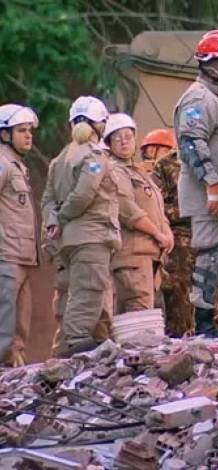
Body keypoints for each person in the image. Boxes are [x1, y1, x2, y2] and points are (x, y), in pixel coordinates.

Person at [174, 29, 218, 336]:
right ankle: (204, 324)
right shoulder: (198, 97)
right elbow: (191, 140)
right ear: (211, 65)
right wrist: (212, 184)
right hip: (210, 195)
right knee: (214, 255)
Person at [41, 96, 120, 357]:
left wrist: (54, 221)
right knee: (88, 292)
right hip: (91, 237)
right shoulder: (94, 156)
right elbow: (84, 195)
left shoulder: (60, 159)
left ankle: (77, 348)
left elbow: (47, 200)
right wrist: (63, 217)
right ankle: (76, 344)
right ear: (100, 125)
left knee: (73, 295)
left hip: (69, 241)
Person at [104, 113, 173, 314]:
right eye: (117, 137)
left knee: (144, 313)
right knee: (138, 314)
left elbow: (158, 208)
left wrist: (167, 231)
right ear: (109, 143)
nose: (124, 141)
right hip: (131, 256)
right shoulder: (115, 172)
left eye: (128, 135)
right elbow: (127, 210)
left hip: (148, 254)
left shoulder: (139, 172)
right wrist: (158, 234)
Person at [0, 104, 40, 366]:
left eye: (29, 131)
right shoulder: (2, 163)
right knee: (4, 321)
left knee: (19, 325)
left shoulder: (18, 165)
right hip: (7, 253)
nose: (28, 136)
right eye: (21, 130)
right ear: (5, 135)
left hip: (23, 255)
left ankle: (13, 373)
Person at [150, 130, 196, 336]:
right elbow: (155, 204)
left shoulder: (212, 160)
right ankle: (178, 335)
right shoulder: (164, 166)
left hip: (210, 234)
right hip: (179, 236)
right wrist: (187, 210)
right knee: (177, 290)